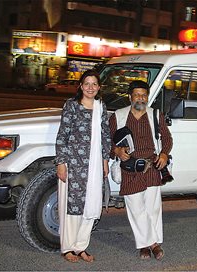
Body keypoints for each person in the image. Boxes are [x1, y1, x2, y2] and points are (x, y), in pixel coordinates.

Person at [109, 80, 173, 260]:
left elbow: (167, 139)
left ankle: (148, 244)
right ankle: (149, 244)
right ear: (130, 97)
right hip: (130, 169)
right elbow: (108, 141)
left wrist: (164, 154)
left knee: (153, 208)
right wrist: (117, 151)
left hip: (152, 166)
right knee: (136, 208)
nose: (140, 98)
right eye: (137, 95)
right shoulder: (118, 116)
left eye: (144, 95)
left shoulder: (155, 115)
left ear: (147, 97)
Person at [55, 69, 111, 263]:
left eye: (94, 84)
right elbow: (63, 135)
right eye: (86, 83)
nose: (90, 88)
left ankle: (81, 247)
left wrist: (105, 162)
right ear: (80, 85)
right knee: (72, 207)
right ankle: (67, 247)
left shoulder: (100, 107)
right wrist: (61, 163)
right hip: (73, 163)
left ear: (99, 87)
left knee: (90, 205)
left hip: (94, 165)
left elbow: (105, 136)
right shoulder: (71, 106)